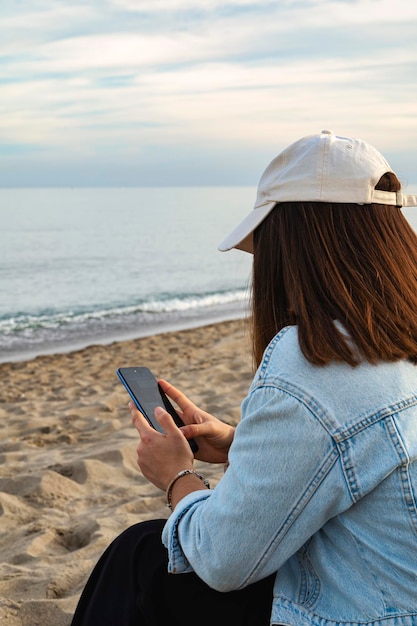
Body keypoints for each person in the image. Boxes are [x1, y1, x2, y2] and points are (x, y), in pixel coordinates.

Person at [71, 130, 417, 626]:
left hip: (364, 610)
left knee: (141, 557)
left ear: (293, 245)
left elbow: (222, 559)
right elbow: (366, 456)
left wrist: (176, 475)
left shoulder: (316, 367)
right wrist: (238, 445)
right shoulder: (399, 339)